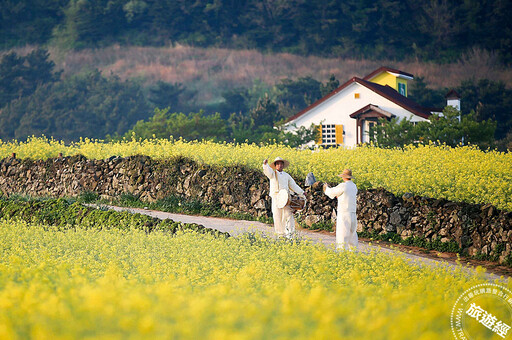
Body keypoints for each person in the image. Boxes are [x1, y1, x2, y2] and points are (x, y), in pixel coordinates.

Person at [263, 157, 306, 238]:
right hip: (276, 197)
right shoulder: (273, 174)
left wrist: (302, 192)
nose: (280, 165)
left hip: (286, 198)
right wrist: (265, 165)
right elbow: (267, 171)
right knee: (277, 216)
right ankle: (280, 235)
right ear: (275, 165)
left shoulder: (287, 175)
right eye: (278, 164)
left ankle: (289, 235)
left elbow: (293, 185)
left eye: (281, 164)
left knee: (288, 215)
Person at [323, 169, 358, 250]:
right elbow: (346, 195)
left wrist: (326, 188)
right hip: (352, 212)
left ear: (343, 177)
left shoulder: (343, 186)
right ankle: (353, 252)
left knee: (342, 234)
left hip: (344, 213)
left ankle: (341, 252)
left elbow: (332, 192)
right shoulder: (354, 186)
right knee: (352, 234)